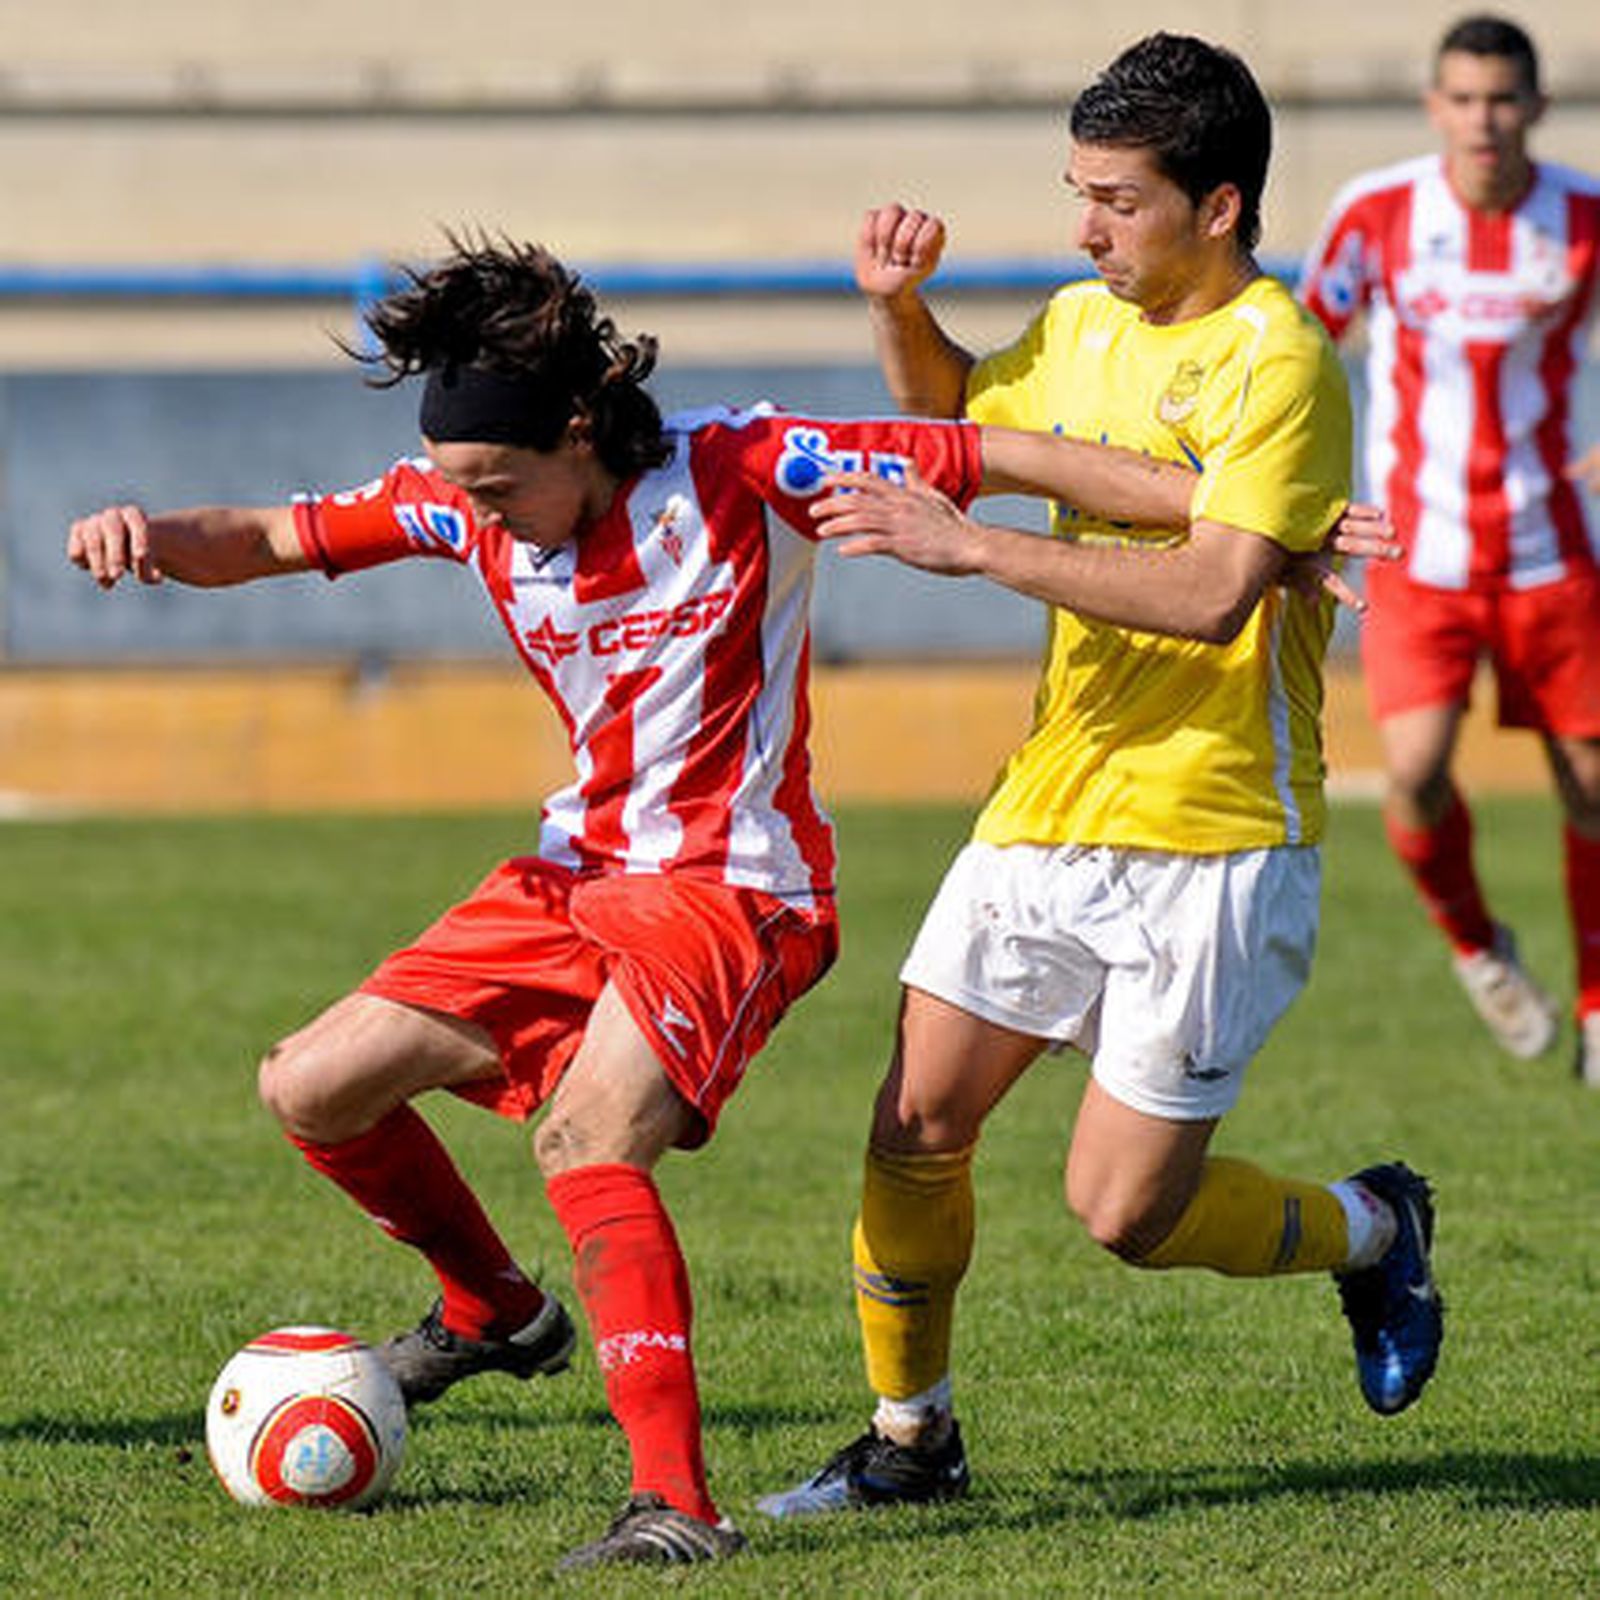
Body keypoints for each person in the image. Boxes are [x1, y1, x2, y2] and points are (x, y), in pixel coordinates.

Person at [68, 235, 1312, 1568]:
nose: (474, 512)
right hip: (576, 873)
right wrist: (150, 537)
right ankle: (494, 1313)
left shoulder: (741, 465)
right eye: (458, 488)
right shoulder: (463, 503)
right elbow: (270, 536)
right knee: (311, 1086)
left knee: (588, 1141)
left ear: (579, 427)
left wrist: (1241, 522)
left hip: (736, 889)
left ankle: (674, 1503)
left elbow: (1001, 455)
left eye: (497, 486)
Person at [758, 33, 1443, 1522]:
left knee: (1125, 1213)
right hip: (1051, 802)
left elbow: (1211, 594)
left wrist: (976, 548)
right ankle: (911, 1439)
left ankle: (1375, 1229)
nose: (1085, 229)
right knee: (913, 1123)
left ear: (1218, 204)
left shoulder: (1281, 360)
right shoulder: (1079, 324)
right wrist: (899, 310)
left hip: (1216, 831)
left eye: (1117, 201)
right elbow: (959, 421)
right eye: (1078, 193)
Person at [1301, 14, 1600, 1079]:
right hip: (1415, 553)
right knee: (1416, 775)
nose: (1483, 120)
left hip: (1550, 549)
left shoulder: (1582, 216)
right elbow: (1299, 350)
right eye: (1464, 99)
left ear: (1536, 107)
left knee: (1590, 782)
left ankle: (1598, 1002)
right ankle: (1477, 946)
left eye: (1502, 99)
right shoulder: (1376, 213)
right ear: (1436, 106)